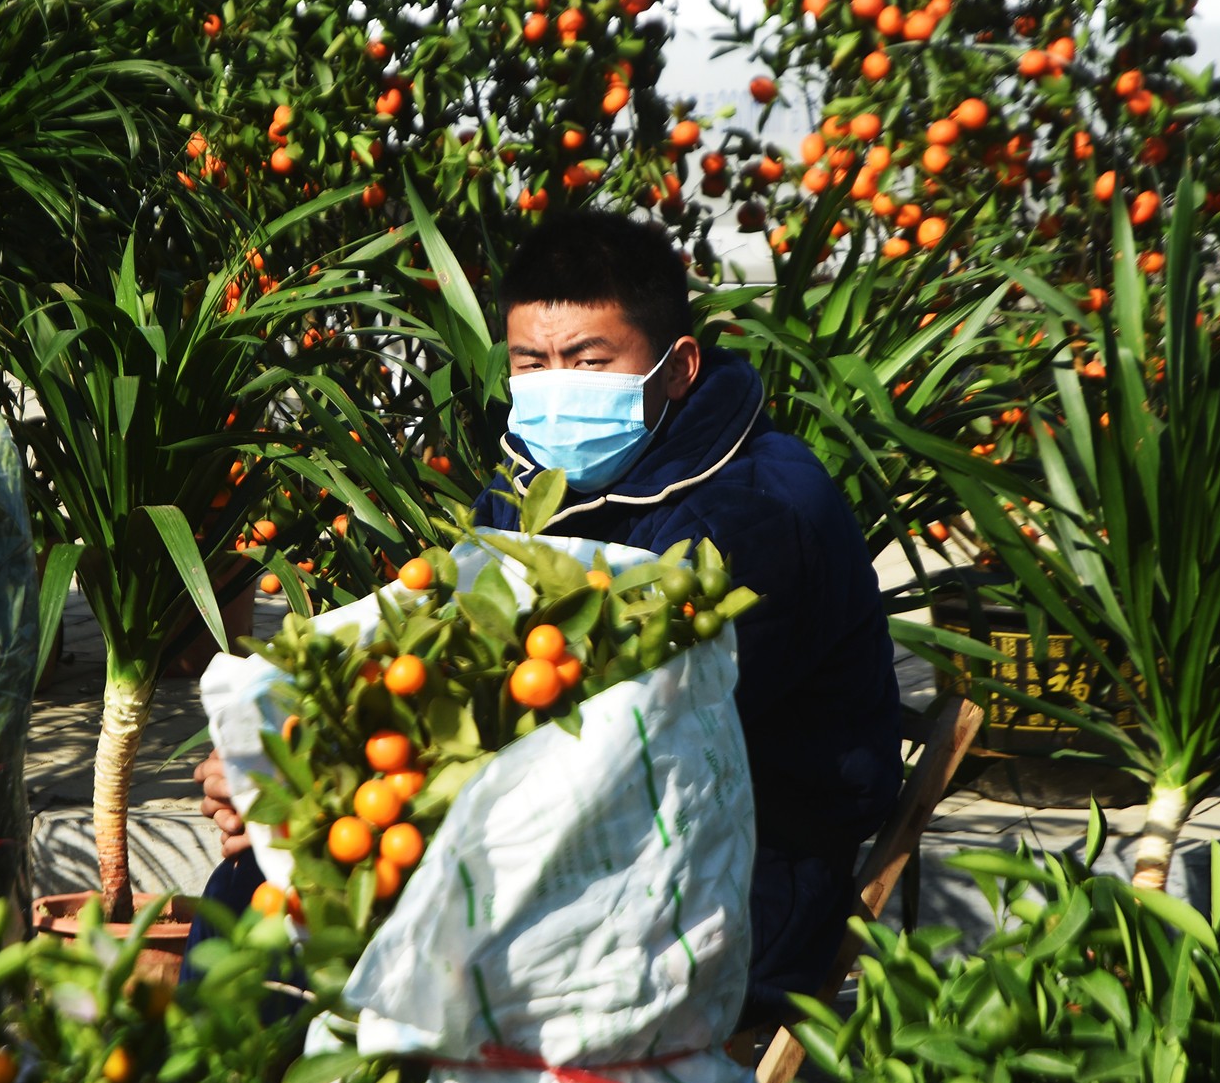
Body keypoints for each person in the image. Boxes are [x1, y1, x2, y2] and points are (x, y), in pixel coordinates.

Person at [193, 211, 902, 1028]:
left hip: (740, 868)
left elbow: (633, 737)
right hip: (588, 824)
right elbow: (455, 634)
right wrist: (278, 746)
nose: (556, 385)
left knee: (341, 923)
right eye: (533, 361)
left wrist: (322, 775)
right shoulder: (536, 479)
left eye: (588, 361)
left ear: (678, 369)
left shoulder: (756, 514)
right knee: (267, 888)